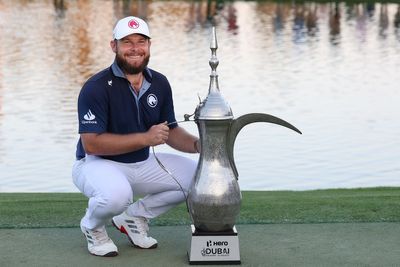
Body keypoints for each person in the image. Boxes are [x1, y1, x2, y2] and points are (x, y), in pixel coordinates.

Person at [72, 16, 199, 257]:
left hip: (140, 163)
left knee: (198, 179)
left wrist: (199, 144)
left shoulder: (159, 82)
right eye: (127, 42)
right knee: (116, 196)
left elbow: (169, 130)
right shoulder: (96, 86)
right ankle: (92, 226)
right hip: (96, 163)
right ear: (114, 46)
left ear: (149, 45)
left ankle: (134, 217)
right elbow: (91, 143)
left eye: (141, 41)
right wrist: (145, 138)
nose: (135, 48)